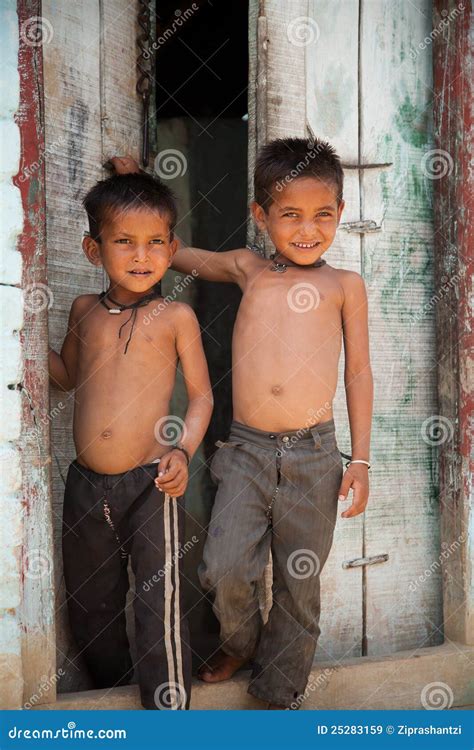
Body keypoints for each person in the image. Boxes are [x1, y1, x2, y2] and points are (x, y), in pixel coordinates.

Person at [111, 136, 373, 709]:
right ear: (261, 216)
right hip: (249, 450)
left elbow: (358, 374)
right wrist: (134, 186)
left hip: (315, 454)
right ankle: (243, 641)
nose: (307, 229)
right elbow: (175, 253)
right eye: (290, 216)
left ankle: (279, 693)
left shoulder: (344, 286)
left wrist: (360, 459)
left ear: (341, 215)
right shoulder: (247, 268)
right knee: (223, 565)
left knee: (299, 585)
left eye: (322, 215)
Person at [48, 172, 213, 710]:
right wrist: (19, 324)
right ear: (93, 249)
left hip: (151, 483)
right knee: (89, 604)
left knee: (157, 603)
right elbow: (66, 376)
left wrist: (183, 451)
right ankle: (114, 706)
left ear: (173, 248)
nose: (141, 255)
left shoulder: (176, 317)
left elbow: (202, 398)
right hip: (85, 485)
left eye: (155, 242)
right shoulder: (81, 311)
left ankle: (169, 716)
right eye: (124, 241)